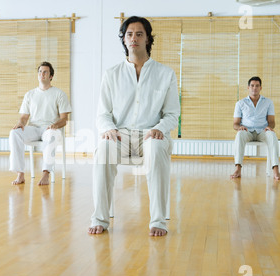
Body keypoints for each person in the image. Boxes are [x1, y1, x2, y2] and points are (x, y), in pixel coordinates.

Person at [88, 16, 180, 237]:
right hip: (120, 135)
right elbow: (102, 113)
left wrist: (159, 128)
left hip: (151, 134)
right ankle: (100, 217)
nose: (134, 38)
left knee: (157, 149)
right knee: (103, 150)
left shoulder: (165, 74)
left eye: (139, 34)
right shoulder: (111, 75)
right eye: (129, 34)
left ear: (148, 38)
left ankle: (158, 220)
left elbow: (172, 114)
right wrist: (108, 128)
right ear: (124, 39)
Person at [9, 62, 72, 186]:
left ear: (51, 76)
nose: (41, 74)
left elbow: (64, 119)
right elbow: (24, 117)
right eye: (40, 72)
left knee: (51, 135)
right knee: (14, 133)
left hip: (50, 128)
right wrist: (20, 123)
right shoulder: (30, 94)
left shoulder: (59, 94)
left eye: (45, 72)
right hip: (34, 128)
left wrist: (55, 125)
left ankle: (45, 174)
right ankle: (20, 173)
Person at [230, 76, 280, 180]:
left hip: (262, 131)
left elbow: (272, 122)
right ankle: (238, 169)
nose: (254, 88)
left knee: (272, 135)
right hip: (247, 131)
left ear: (261, 88)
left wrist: (270, 127)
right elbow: (235, 124)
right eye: (252, 85)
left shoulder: (268, 102)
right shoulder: (240, 103)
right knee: (239, 134)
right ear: (248, 87)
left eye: (257, 86)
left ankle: (276, 171)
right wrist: (239, 127)